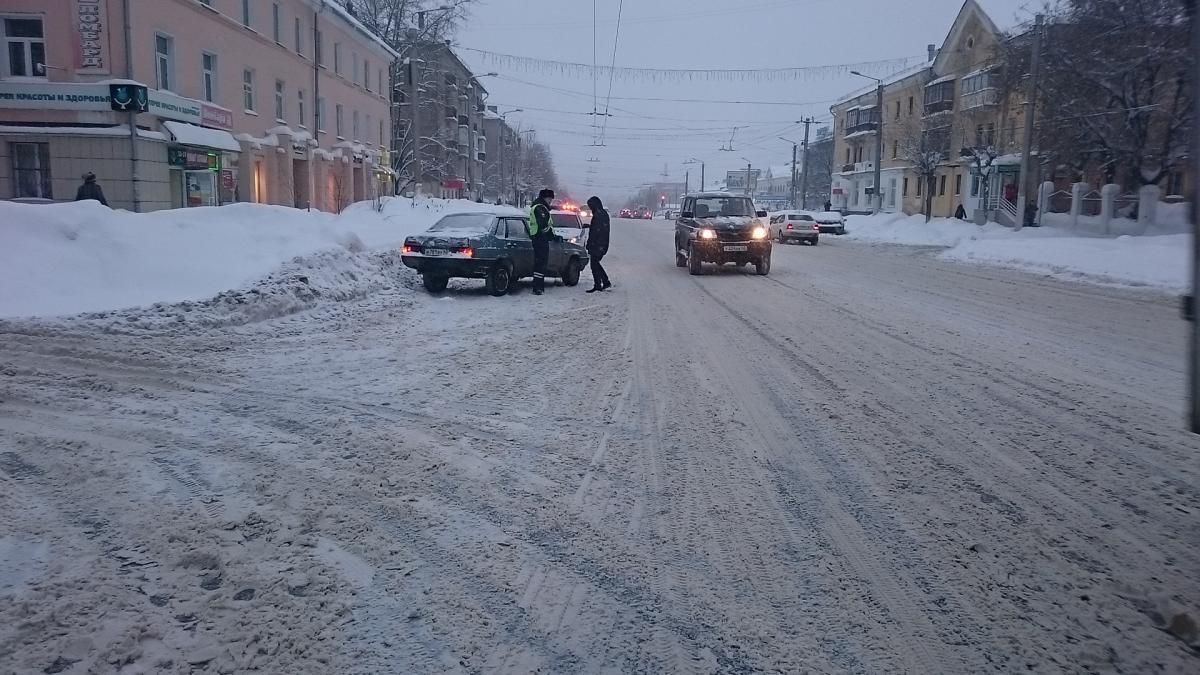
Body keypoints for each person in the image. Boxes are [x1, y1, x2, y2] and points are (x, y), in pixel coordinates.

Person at [527, 188, 556, 295]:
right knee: (541, 263)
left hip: (538, 238)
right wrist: (551, 235)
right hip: (540, 238)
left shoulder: (538, 206)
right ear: (545, 198)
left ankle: (538, 286)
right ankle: (538, 287)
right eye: (550, 199)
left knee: (540, 263)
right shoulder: (540, 208)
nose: (551, 201)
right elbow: (543, 225)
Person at [584, 196, 611, 293]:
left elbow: (597, 231)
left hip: (598, 244)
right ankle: (604, 282)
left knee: (594, 264)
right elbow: (597, 229)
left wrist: (591, 243)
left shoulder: (599, 215)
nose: (590, 208)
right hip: (600, 244)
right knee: (595, 264)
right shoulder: (601, 214)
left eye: (590, 206)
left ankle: (599, 284)